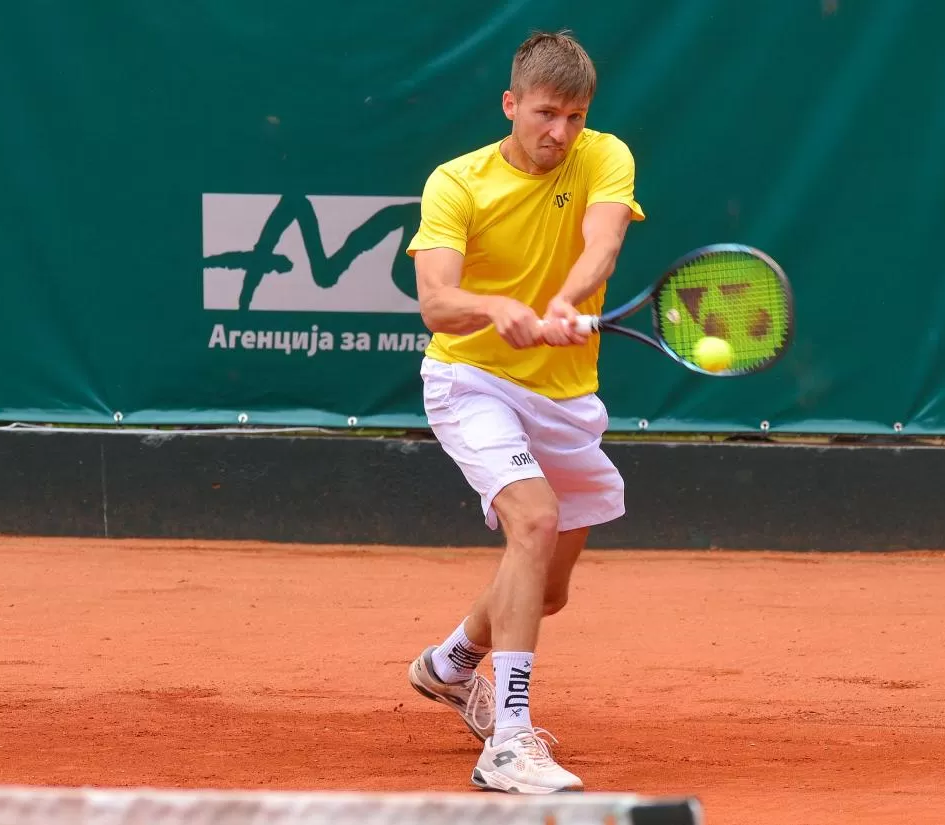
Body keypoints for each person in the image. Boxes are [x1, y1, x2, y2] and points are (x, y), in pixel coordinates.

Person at [403, 29, 644, 794]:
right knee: (533, 520)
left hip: (565, 396)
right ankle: (509, 742)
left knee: (545, 590)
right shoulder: (457, 183)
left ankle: (449, 665)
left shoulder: (604, 155)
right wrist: (495, 307)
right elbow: (436, 302)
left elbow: (602, 243)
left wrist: (566, 300)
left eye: (575, 117)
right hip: (471, 380)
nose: (560, 133)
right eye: (545, 114)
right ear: (510, 104)